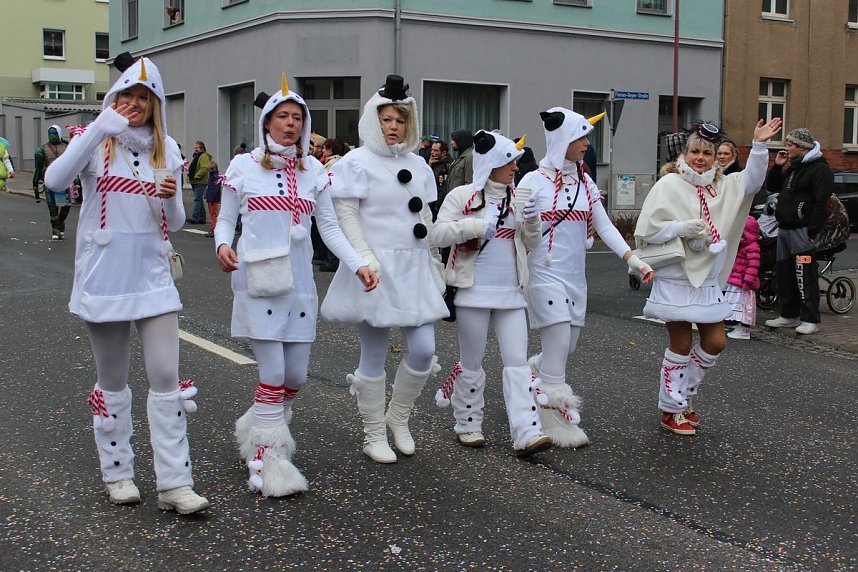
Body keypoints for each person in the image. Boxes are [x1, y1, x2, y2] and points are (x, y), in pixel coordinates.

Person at [44, 52, 209, 513]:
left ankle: (176, 483)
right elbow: (56, 179)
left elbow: (172, 223)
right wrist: (101, 126)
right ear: (114, 97)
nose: (135, 103)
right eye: (127, 95)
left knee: (166, 378)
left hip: (154, 275)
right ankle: (117, 472)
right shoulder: (96, 142)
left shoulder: (168, 150)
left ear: (155, 103)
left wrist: (173, 197)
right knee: (113, 379)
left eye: (144, 96)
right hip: (107, 277)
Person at [215, 75, 377, 496]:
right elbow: (226, 218)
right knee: (272, 373)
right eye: (283, 116)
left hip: (301, 283)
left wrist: (358, 263)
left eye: (297, 118)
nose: (290, 123)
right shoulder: (244, 166)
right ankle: (268, 458)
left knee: (297, 377)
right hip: (258, 280)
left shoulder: (314, 171)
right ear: (267, 122)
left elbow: (329, 226)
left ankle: (257, 424)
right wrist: (221, 245)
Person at [320, 74, 448, 464]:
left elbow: (425, 216)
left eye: (400, 120)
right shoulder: (356, 162)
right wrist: (363, 259)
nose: (393, 127)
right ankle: (374, 433)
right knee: (373, 355)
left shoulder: (420, 165)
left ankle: (399, 417)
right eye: (386, 119)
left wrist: (435, 263)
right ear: (372, 121)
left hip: (413, 268)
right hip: (373, 270)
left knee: (424, 349)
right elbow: (346, 216)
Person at [634, 118, 782, 435]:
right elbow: (647, 230)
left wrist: (758, 145)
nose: (700, 158)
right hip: (677, 277)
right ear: (685, 155)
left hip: (708, 281)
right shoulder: (669, 185)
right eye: (695, 152)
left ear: (717, 158)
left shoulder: (723, 187)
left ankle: (684, 397)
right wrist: (681, 228)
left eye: (707, 153)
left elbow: (753, 182)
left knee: (716, 341)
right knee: (682, 343)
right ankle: (671, 409)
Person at [518, 108, 653, 448]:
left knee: (566, 347)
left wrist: (633, 259)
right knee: (559, 341)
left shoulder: (585, 181)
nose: (585, 144)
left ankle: (534, 373)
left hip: (576, 278)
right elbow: (516, 231)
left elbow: (604, 224)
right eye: (579, 138)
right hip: (543, 273)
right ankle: (555, 424)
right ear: (562, 140)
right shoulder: (531, 182)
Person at [431, 130, 551, 456]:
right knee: (472, 361)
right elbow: (438, 234)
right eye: (509, 161)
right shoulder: (462, 196)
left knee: (517, 362)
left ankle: (527, 431)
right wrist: (472, 226)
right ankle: (468, 423)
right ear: (493, 162)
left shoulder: (520, 197)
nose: (515, 167)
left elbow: (532, 244)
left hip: (512, 292)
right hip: (472, 291)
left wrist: (533, 223)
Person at [763, 127, 833, 336]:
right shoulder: (794, 168)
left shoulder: (820, 170)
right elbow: (773, 187)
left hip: (802, 232)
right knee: (784, 274)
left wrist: (811, 230)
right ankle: (788, 314)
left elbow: (822, 202)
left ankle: (810, 318)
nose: (787, 147)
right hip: (784, 230)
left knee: (804, 275)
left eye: (790, 144)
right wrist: (777, 167)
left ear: (802, 147)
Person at [33, 125, 73, 239]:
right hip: (49, 181)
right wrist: (35, 184)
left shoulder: (68, 147)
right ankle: (55, 229)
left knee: (66, 206)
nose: (52, 136)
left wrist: (76, 179)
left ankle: (61, 222)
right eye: (50, 134)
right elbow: (38, 169)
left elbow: (74, 165)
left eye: (54, 134)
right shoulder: (41, 150)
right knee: (52, 208)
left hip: (65, 181)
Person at [724, 216, 761, 340]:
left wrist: (748, 281)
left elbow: (753, 266)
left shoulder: (752, 247)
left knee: (745, 307)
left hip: (744, 283)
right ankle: (739, 325)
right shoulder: (742, 246)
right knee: (737, 305)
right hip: (737, 280)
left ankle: (744, 330)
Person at [186, 140, 211, 224]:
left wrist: (196, 176)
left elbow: (204, 168)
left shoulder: (203, 156)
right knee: (199, 199)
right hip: (195, 181)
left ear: (202, 148)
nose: (195, 149)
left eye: (196, 147)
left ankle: (195, 218)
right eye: (195, 147)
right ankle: (202, 218)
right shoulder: (197, 156)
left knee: (197, 199)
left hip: (200, 181)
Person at [427, 139, 452, 218]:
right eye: (432, 150)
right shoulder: (433, 163)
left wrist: (437, 205)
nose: (432, 153)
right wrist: (429, 165)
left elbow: (444, 187)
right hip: (430, 202)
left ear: (443, 153)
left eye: (435, 150)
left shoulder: (447, 166)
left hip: (438, 204)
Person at [203, 161, 221, 238]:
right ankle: (213, 229)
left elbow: (215, 189)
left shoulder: (214, 177)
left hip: (213, 198)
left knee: (213, 215)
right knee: (212, 214)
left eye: (209, 170)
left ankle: (214, 230)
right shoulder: (214, 177)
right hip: (212, 198)